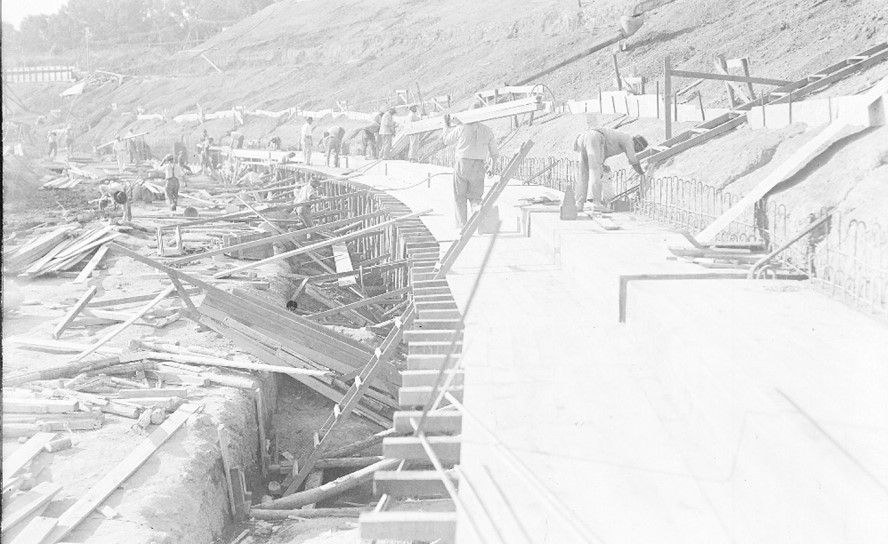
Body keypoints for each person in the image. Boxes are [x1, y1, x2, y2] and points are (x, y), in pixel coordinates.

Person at [441, 105, 499, 229]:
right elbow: (494, 153)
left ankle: (462, 226)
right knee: (476, 197)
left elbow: (446, 140)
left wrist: (445, 125)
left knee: (460, 196)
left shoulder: (461, 128)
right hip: (478, 166)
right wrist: (492, 167)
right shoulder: (487, 130)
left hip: (462, 164)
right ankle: (477, 217)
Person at [573, 127, 647, 211]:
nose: (639, 151)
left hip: (583, 137)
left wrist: (602, 164)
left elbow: (602, 152)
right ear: (636, 142)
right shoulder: (629, 140)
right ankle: (596, 203)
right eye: (640, 148)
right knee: (595, 171)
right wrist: (642, 174)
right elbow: (633, 161)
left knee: (584, 172)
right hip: (595, 137)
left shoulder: (618, 138)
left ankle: (579, 203)